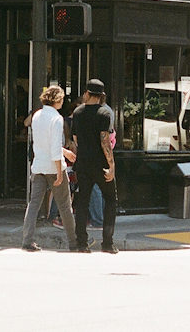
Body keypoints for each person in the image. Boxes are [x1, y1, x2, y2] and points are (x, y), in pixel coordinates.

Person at [22, 85, 77, 252]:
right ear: (57, 100)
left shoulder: (37, 115)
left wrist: (64, 152)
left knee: (33, 205)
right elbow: (54, 147)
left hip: (38, 166)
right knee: (65, 206)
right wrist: (60, 172)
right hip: (53, 168)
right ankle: (74, 242)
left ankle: (27, 240)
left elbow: (43, 143)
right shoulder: (57, 118)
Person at [70, 79, 118, 254]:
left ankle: (81, 243)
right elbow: (105, 141)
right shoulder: (104, 113)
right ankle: (107, 243)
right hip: (101, 164)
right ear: (102, 95)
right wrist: (111, 166)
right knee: (110, 200)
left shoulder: (78, 112)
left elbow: (75, 139)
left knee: (82, 202)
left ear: (87, 93)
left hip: (83, 163)